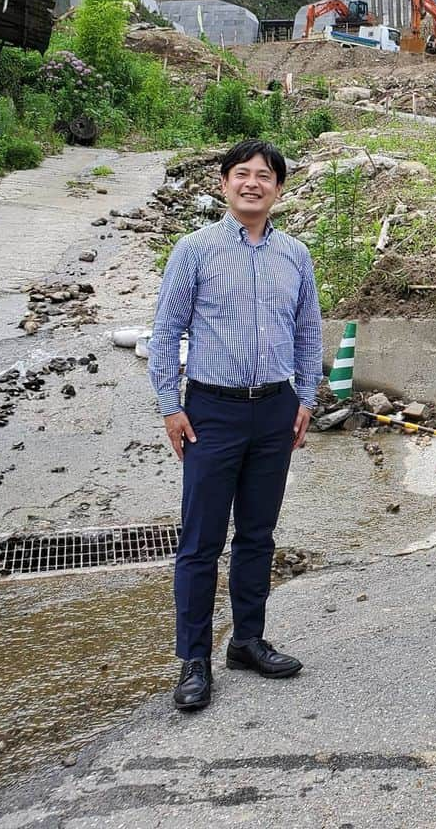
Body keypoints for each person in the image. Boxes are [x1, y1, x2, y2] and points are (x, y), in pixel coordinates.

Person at [149, 138, 323, 711]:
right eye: (242, 174)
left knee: (257, 534)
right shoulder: (194, 250)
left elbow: (307, 334)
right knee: (200, 541)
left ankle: (246, 641)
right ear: (224, 183)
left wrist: (304, 398)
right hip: (211, 412)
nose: (253, 183)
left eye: (265, 176)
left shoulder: (295, 255)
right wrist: (170, 405)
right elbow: (166, 331)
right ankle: (193, 658)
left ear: (278, 188)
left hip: (274, 411)